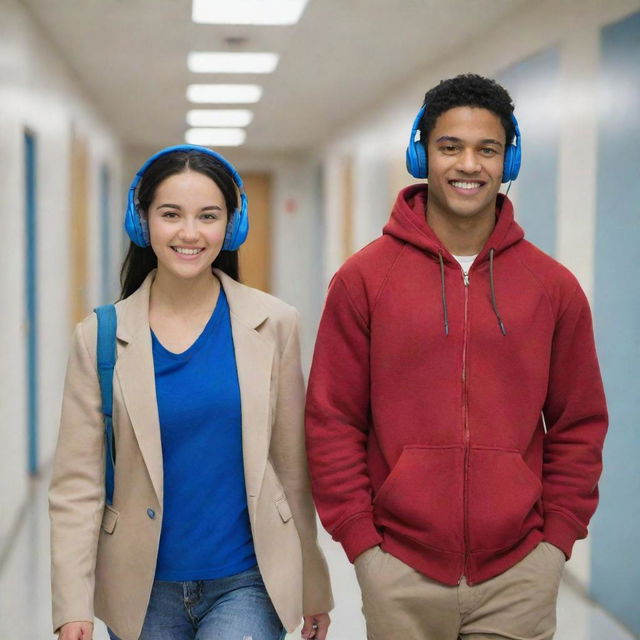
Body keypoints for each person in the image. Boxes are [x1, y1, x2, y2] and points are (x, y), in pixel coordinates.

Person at [305, 74, 607, 640]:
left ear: (507, 159)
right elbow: (332, 421)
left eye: (487, 149)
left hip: (519, 574)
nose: (469, 164)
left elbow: (579, 423)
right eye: (450, 147)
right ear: (422, 154)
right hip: (400, 569)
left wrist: (555, 546)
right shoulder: (363, 280)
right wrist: (364, 548)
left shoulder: (553, 287)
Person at [49, 145, 332, 640]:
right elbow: (77, 485)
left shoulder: (274, 324)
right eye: (170, 214)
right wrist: (72, 605)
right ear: (142, 223)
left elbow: (292, 469)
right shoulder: (98, 336)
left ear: (232, 226)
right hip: (141, 590)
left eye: (208, 216)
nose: (190, 233)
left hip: (247, 582)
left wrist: (312, 584)